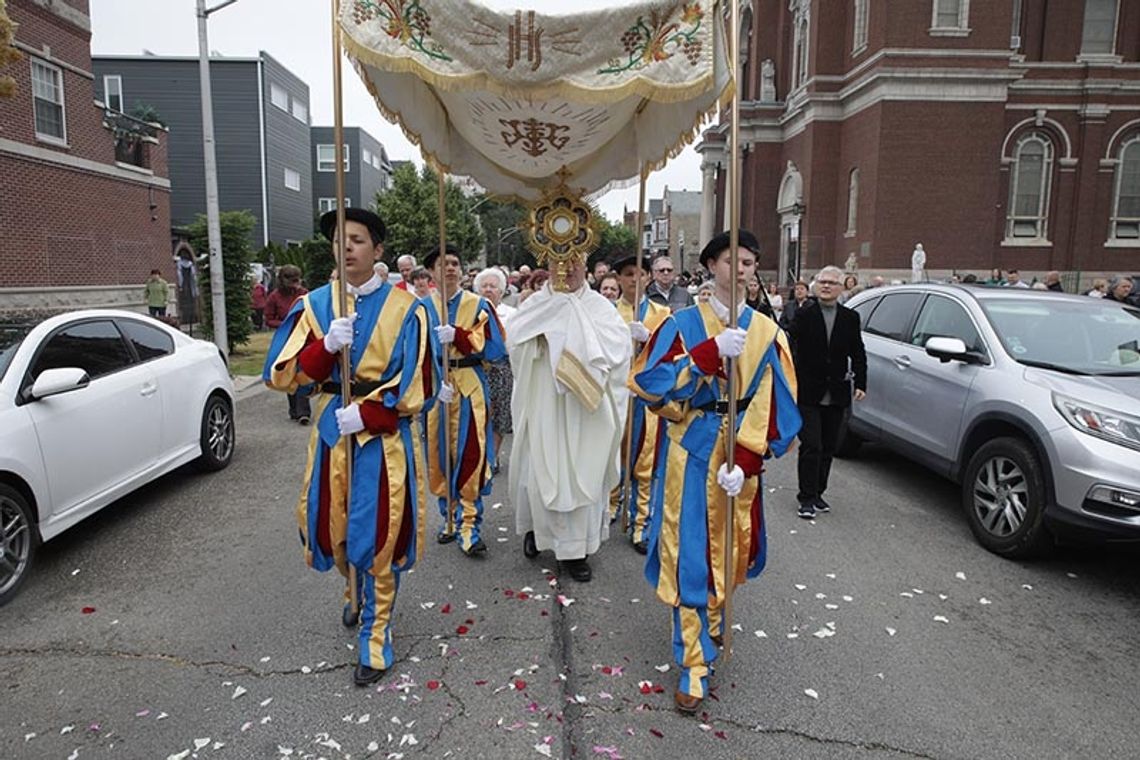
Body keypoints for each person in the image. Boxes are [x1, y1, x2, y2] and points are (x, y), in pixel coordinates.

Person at [630, 229, 802, 713]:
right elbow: (648, 383)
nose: (741, 268)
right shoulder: (680, 323)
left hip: (738, 453)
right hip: (692, 448)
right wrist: (705, 355)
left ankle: (716, 618)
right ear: (711, 266)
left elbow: (778, 399)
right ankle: (692, 662)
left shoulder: (768, 332)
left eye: (749, 261)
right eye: (731, 260)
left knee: (729, 547)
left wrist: (748, 458)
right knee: (690, 552)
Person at [262, 208, 435, 687]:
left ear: (377, 251)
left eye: (358, 240)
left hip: (381, 438)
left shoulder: (410, 309)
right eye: (341, 240)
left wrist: (372, 412)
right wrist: (323, 349)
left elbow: (418, 381)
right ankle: (351, 587)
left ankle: (376, 633)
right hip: (333, 434)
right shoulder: (317, 305)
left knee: (376, 531)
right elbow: (282, 373)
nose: (348, 247)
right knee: (333, 524)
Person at [510, 256, 631, 583]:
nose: (566, 268)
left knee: (583, 470)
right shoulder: (535, 304)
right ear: (547, 264)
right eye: (558, 261)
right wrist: (542, 341)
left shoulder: (599, 307)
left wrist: (579, 347)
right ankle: (538, 530)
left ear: (585, 264)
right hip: (544, 398)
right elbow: (514, 345)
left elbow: (619, 351)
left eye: (573, 261)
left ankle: (577, 550)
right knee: (539, 469)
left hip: (584, 408)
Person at [424, 244, 507, 556]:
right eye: (442, 264)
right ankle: (449, 516)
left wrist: (459, 336)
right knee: (441, 453)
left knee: (471, 452)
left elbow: (495, 348)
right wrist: (430, 386)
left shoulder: (478, 305)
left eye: (455, 263)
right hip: (437, 386)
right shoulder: (421, 307)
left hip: (470, 385)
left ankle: (470, 524)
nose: (450, 268)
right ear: (431, 271)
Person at [786, 265, 867, 520]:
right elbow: (790, 344)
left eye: (832, 282)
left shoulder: (850, 318)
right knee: (812, 444)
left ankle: (819, 492)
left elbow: (858, 352)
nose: (827, 286)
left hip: (837, 391)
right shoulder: (805, 314)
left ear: (842, 287)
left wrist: (861, 383)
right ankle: (806, 497)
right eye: (822, 282)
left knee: (829, 446)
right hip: (809, 390)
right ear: (815, 285)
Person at [610, 251, 671, 553]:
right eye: (628, 274)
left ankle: (641, 524)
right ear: (618, 279)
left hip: (647, 399)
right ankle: (609, 507)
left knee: (645, 463)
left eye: (640, 273)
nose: (635, 279)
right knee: (611, 455)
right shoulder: (606, 313)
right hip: (615, 397)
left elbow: (675, 355)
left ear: (649, 277)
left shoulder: (662, 314)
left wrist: (650, 340)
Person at [474, 266, 515, 474]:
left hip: (501, 370)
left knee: (499, 416)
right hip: (476, 370)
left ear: (502, 290)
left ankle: (493, 457)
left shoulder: (512, 314)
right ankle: (479, 456)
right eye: (485, 286)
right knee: (479, 415)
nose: (489, 289)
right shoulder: (471, 311)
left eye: (493, 286)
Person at [264, 265, 311, 424]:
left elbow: (312, 312)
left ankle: (304, 411)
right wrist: (284, 324)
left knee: (302, 370)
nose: (296, 284)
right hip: (285, 339)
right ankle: (294, 409)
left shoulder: (304, 294)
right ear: (283, 281)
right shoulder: (274, 297)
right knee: (288, 371)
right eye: (292, 281)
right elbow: (269, 319)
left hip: (303, 338)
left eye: (298, 280)